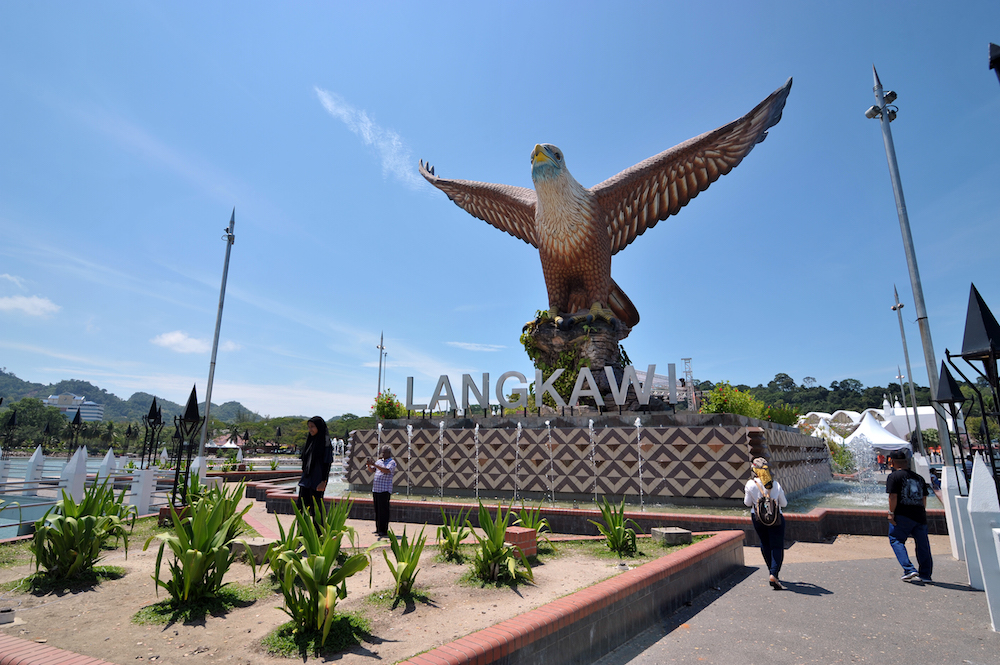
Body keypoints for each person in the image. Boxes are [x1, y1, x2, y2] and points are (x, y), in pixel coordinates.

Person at [886, 449, 932, 582]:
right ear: (906, 462)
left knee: (896, 540)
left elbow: (893, 496)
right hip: (919, 515)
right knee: (923, 544)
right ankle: (925, 574)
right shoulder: (919, 478)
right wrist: (921, 512)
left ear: (892, 462)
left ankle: (909, 569)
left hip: (902, 515)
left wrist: (891, 513)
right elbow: (924, 498)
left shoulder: (894, 477)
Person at [743, 457, 788, 590]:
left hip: (758, 518)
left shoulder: (750, 484)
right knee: (777, 546)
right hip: (776, 518)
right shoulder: (776, 484)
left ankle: (771, 571)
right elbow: (784, 504)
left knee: (765, 544)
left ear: (755, 471)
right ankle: (774, 573)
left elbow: (747, 503)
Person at [297, 416, 333, 528]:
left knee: (316, 510)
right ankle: (301, 536)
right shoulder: (310, 441)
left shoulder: (325, 443)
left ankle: (318, 537)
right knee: (301, 508)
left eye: (313, 427)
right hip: (306, 480)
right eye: (309, 427)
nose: (310, 429)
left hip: (317, 481)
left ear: (319, 427)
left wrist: (324, 481)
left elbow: (327, 463)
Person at [366, 445, 396, 538]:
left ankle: (384, 530)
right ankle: (378, 529)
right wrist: (369, 465)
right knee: (377, 510)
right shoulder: (379, 461)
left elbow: (387, 471)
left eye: (384, 452)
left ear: (389, 453)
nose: (382, 454)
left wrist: (375, 464)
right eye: (382, 452)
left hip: (385, 490)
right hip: (376, 490)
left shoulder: (392, 462)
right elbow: (372, 470)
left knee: (384, 511)